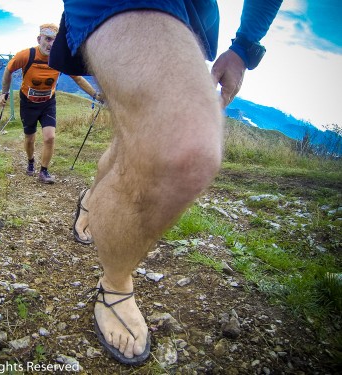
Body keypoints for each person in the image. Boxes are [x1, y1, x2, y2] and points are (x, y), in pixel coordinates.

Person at [49, 0, 283, 366]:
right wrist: (244, 45)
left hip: (192, 10)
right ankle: (115, 284)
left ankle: (92, 199)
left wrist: (245, 47)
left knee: (143, 132)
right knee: (182, 140)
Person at [0, 23, 102, 184]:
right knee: (30, 139)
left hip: (48, 102)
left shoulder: (59, 59)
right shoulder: (26, 55)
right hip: (28, 103)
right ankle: (31, 160)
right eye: (47, 39)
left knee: (50, 137)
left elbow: (78, 78)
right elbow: (8, 70)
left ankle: (44, 171)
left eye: (55, 40)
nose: (51, 44)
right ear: (39, 39)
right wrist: (4, 92)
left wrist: (95, 94)